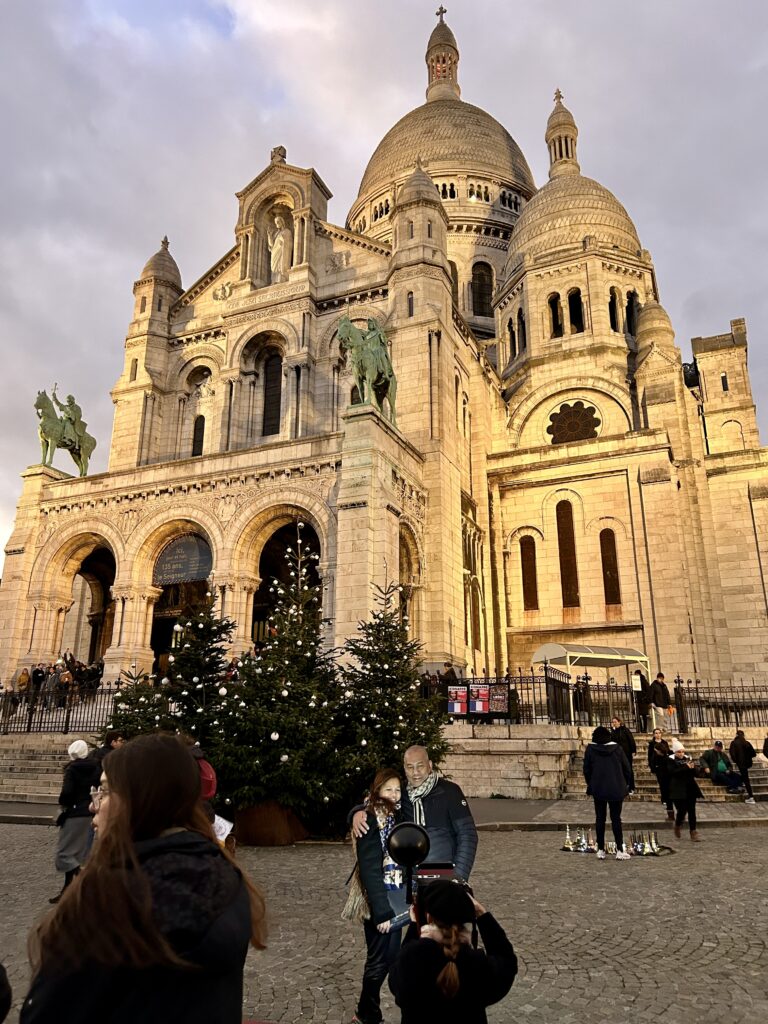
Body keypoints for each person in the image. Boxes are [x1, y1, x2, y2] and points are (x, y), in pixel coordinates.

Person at [22, 734, 267, 1024]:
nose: (94, 806)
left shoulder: (114, 899)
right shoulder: (228, 876)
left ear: (139, 800)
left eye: (104, 791)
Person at [388, 880, 517, 1024]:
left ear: (429, 916)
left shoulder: (412, 960)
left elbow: (395, 983)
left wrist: (414, 927)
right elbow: (507, 963)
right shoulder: (476, 963)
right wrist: (482, 914)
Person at [353, 745, 478, 881]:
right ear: (404, 768)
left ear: (429, 765)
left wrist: (459, 877)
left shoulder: (450, 792)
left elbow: (467, 835)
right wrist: (357, 812)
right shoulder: (401, 793)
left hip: (443, 875)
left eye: (420, 766)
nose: (415, 772)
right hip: (410, 878)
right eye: (410, 767)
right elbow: (378, 800)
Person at [352, 769, 408, 1024]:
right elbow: (369, 868)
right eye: (388, 789)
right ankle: (367, 1013)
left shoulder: (396, 816)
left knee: (390, 957)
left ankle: (366, 1012)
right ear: (378, 791)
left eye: (397, 789)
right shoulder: (370, 819)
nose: (394, 794)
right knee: (378, 961)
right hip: (379, 902)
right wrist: (381, 911)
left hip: (396, 896)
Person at [49, 739, 100, 903]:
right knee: (79, 852)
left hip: (75, 812)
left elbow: (67, 793)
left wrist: (64, 803)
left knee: (64, 853)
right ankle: (68, 889)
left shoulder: (72, 769)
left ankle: (86, 880)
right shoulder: (96, 767)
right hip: (90, 811)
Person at [582, 725, 632, 860]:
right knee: (616, 819)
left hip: (598, 787)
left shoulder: (591, 749)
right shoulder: (617, 749)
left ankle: (601, 849)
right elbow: (627, 768)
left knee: (600, 818)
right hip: (616, 787)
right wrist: (625, 783)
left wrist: (591, 783)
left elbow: (586, 769)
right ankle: (620, 850)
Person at [668, 738, 704, 841]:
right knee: (682, 810)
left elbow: (695, 773)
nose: (681, 753)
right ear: (675, 752)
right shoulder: (670, 760)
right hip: (678, 789)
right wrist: (686, 767)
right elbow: (673, 772)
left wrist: (694, 768)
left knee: (692, 810)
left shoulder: (688, 758)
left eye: (682, 751)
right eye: (679, 752)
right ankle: (678, 824)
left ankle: (693, 831)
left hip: (690, 787)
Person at [647, 727, 674, 821]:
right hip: (657, 766)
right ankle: (664, 798)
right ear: (654, 734)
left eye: (659, 733)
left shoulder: (664, 742)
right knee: (661, 783)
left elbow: (669, 752)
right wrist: (652, 766)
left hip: (665, 766)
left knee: (666, 784)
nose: (658, 734)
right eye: (656, 733)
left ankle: (667, 799)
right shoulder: (651, 744)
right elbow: (649, 755)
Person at [610, 716, 637, 793]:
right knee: (619, 770)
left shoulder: (625, 730)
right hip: (617, 754)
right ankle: (622, 787)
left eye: (615, 722)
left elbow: (631, 740)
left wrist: (633, 751)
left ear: (619, 722)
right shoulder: (613, 731)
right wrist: (612, 730)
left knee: (629, 770)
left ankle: (631, 787)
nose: (614, 723)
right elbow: (612, 741)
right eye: (613, 722)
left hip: (626, 753)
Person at [729, 730, 757, 804]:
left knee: (746, 780)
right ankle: (740, 786)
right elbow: (754, 754)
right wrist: (747, 758)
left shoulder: (734, 743)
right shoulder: (747, 743)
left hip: (741, 764)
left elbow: (732, 754)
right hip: (746, 764)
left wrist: (737, 761)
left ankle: (751, 797)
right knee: (744, 778)